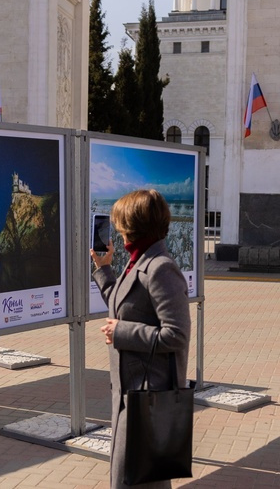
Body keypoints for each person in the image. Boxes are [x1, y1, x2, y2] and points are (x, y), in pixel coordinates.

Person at [89, 189, 192, 488]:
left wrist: (121, 332)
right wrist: (104, 269)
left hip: (148, 397)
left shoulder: (161, 268)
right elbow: (123, 306)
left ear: (135, 224)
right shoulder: (138, 261)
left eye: (120, 222)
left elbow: (177, 334)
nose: (117, 229)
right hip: (130, 393)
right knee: (136, 479)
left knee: (137, 480)